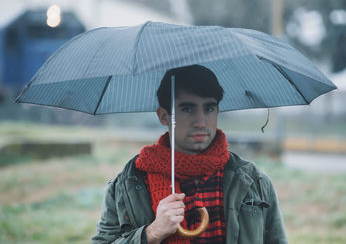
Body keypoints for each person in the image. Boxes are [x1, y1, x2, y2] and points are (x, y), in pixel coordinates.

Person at [92, 65, 287, 244]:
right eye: (187, 109)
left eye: (209, 108)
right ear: (163, 116)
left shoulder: (253, 181)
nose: (201, 121)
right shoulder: (130, 183)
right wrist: (151, 233)